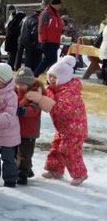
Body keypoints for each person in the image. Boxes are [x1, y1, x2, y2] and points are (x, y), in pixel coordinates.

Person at [27, 57, 88, 186]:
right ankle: (55, 170)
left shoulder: (69, 93)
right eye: (51, 76)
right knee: (56, 146)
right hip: (62, 128)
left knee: (68, 150)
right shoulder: (54, 89)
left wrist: (42, 100)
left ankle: (80, 174)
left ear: (64, 77)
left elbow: (61, 109)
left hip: (75, 129)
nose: (52, 80)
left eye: (56, 77)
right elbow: (45, 93)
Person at [0, 63, 20, 188]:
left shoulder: (12, 96)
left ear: (2, 80)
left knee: (8, 158)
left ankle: (10, 179)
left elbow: (10, 115)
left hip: (8, 134)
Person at [14, 67, 43, 185]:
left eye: (23, 84)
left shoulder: (35, 94)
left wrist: (23, 111)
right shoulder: (15, 92)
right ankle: (26, 169)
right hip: (17, 129)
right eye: (18, 84)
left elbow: (35, 110)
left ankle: (22, 174)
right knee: (17, 152)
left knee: (25, 153)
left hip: (29, 130)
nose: (20, 86)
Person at [34, 0, 64, 77]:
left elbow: (57, 27)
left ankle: (51, 79)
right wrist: (43, 40)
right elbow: (42, 27)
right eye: (59, 5)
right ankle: (35, 74)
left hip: (55, 41)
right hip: (47, 41)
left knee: (53, 61)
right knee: (47, 60)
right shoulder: (46, 13)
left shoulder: (56, 14)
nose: (60, 7)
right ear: (55, 4)